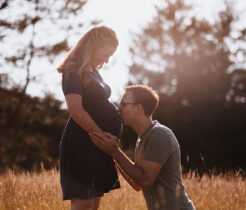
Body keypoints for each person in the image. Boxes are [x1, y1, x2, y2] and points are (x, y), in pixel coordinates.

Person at [89, 85, 196, 210]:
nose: (119, 109)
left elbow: (145, 180)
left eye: (124, 104)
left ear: (139, 108)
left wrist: (114, 151)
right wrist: (111, 153)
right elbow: (137, 185)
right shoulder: (143, 138)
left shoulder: (159, 134)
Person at [57, 26, 122, 210]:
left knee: (93, 204)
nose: (107, 60)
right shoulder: (72, 69)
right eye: (105, 54)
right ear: (93, 46)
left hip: (96, 145)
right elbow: (76, 110)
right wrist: (101, 136)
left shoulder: (92, 70)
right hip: (83, 143)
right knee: (83, 204)